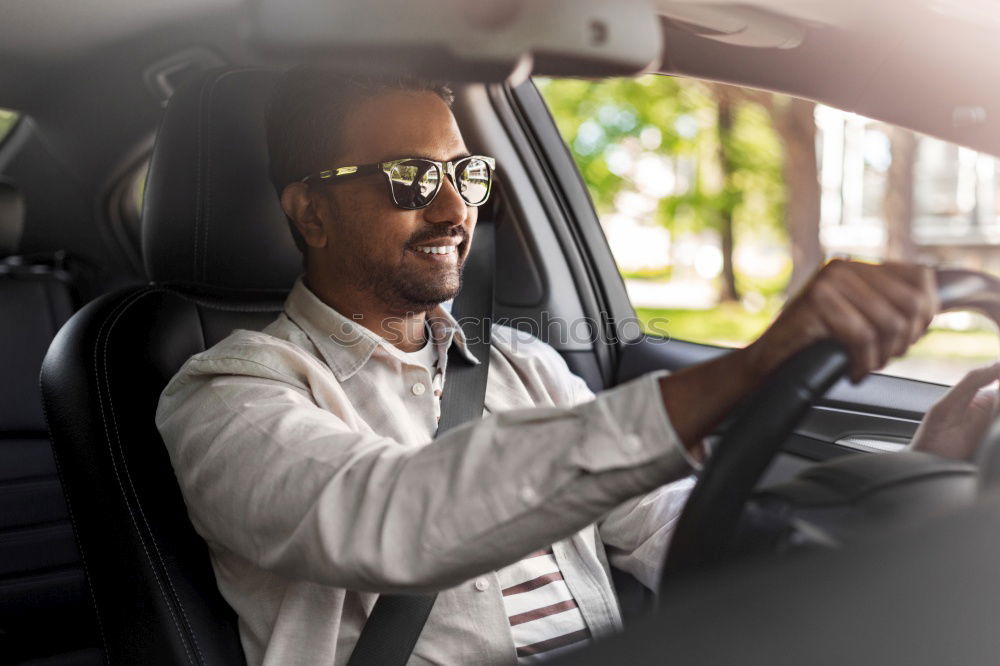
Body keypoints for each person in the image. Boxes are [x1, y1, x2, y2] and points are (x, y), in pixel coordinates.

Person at [155, 67, 997, 666]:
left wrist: (903, 487)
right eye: (409, 179)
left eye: (467, 173)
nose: (456, 209)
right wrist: (754, 363)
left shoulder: (521, 364)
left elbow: (672, 529)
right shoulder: (229, 395)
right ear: (312, 212)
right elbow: (393, 519)